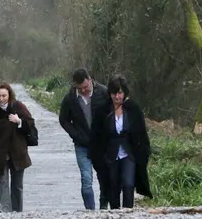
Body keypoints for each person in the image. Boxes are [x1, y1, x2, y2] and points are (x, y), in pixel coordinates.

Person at [90, 75, 152, 209]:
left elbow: (141, 134)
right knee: (113, 187)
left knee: (128, 184)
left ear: (124, 93)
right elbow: (95, 136)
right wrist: (97, 157)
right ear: (110, 94)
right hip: (110, 154)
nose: (117, 97)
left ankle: (128, 213)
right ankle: (115, 215)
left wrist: (144, 153)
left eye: (119, 93)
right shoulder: (102, 110)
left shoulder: (133, 109)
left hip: (128, 153)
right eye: (114, 93)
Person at [58, 68, 109, 210]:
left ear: (90, 79)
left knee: (104, 178)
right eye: (80, 88)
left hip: (102, 144)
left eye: (86, 87)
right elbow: (63, 120)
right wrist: (76, 135)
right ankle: (90, 211)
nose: (84, 90)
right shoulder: (70, 98)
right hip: (82, 145)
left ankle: (103, 207)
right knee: (86, 179)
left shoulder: (104, 93)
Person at [0, 82, 36, 212]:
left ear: (9, 95)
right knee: (2, 182)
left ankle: (17, 211)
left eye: (4, 95)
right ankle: (4, 211)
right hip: (0, 153)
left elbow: (31, 126)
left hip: (18, 151)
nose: (1, 99)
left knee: (17, 184)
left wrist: (19, 122)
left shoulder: (18, 106)